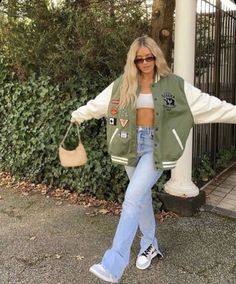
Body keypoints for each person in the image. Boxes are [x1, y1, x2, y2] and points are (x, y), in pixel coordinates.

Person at [71, 35, 236, 283]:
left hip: (155, 147)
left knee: (132, 197)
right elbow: (99, 104)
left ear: (157, 56)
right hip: (129, 145)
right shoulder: (123, 84)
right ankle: (150, 245)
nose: (145, 62)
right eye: (140, 59)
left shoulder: (175, 85)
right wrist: (78, 115)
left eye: (150, 57)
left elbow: (210, 104)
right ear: (133, 60)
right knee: (141, 196)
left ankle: (113, 264)